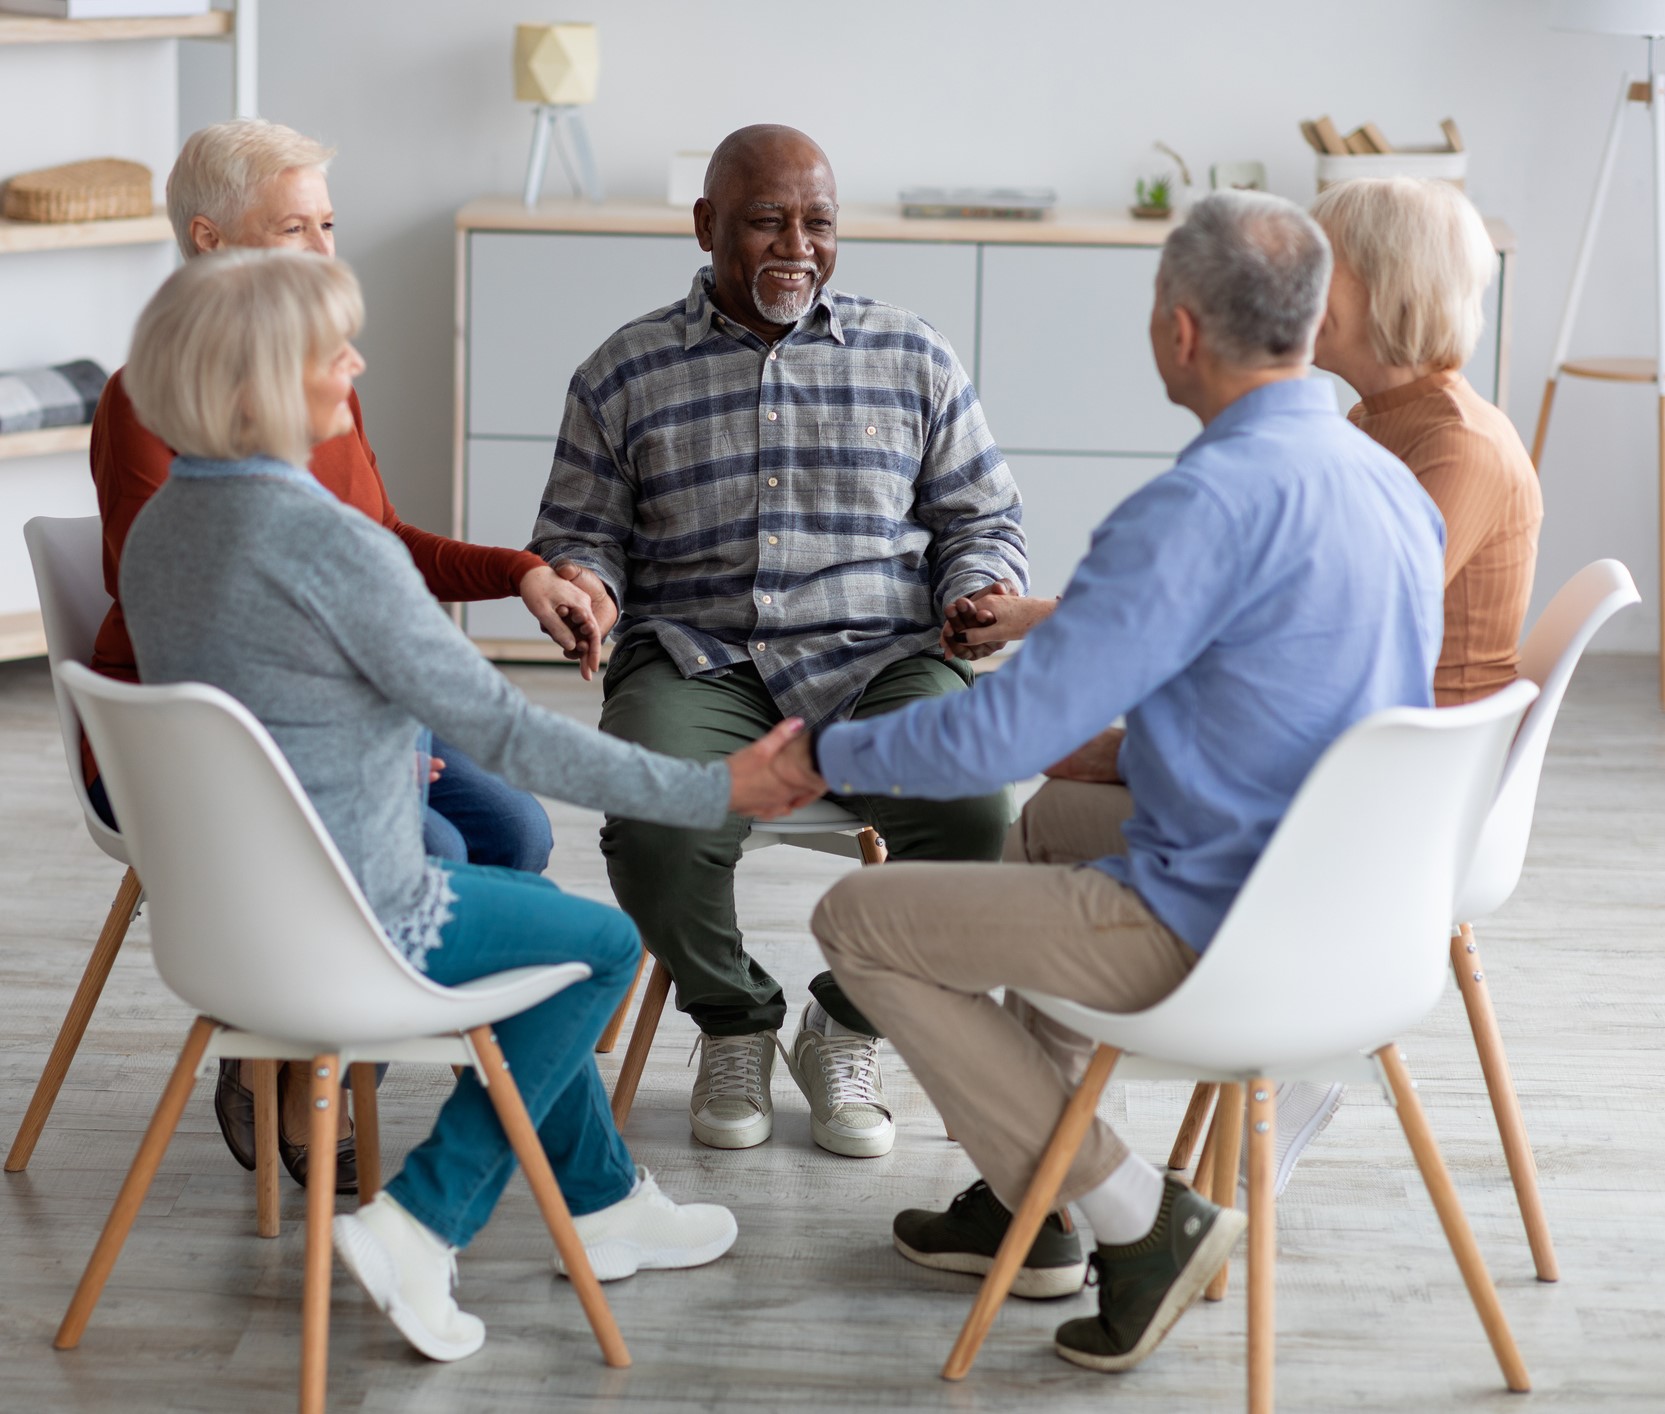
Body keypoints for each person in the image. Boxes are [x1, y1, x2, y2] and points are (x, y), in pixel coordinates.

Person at [117, 249, 817, 1362]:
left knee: (509, 900)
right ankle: (423, 1216)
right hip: (353, 920)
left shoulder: (158, 536)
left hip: (219, 934)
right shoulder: (330, 543)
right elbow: (509, 729)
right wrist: (714, 784)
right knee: (596, 942)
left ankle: (603, 1201)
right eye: (325, 348)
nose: (355, 360)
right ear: (250, 383)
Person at [797, 192, 1446, 1373]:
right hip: (1363, 912)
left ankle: (1135, 1213)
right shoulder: (1386, 480)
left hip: (1220, 928)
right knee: (1053, 821)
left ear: (1180, 330)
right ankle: (1029, 1194)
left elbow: (989, 738)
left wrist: (818, 755)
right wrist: (1138, 750)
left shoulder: (1195, 507)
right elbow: (1296, 703)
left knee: (856, 917)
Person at [86, 119, 599, 1188]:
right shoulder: (148, 405)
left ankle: (458, 1080)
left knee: (515, 827)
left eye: (329, 224)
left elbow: (383, 546)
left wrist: (520, 569)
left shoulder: (324, 376)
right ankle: (281, 1040)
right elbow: (198, 621)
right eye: (293, 228)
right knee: (438, 855)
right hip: (203, 742)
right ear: (212, 242)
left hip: (340, 719)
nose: (324, 253)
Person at [529, 124, 1026, 1158]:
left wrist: (979, 586)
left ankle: (847, 1021)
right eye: (766, 221)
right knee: (656, 812)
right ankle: (734, 1018)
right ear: (707, 226)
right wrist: (582, 585)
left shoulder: (913, 352)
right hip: (703, 657)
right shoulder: (623, 370)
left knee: (978, 811)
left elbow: (980, 519)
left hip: (882, 656)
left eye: (818, 223)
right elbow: (582, 537)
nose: (796, 244)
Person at [1232, 176, 1546, 1193]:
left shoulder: (1451, 443)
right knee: (1079, 787)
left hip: (1402, 794)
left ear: (1378, 289)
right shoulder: (1377, 421)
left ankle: (1290, 1045)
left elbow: (1323, 623)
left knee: (1065, 813)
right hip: (1357, 757)